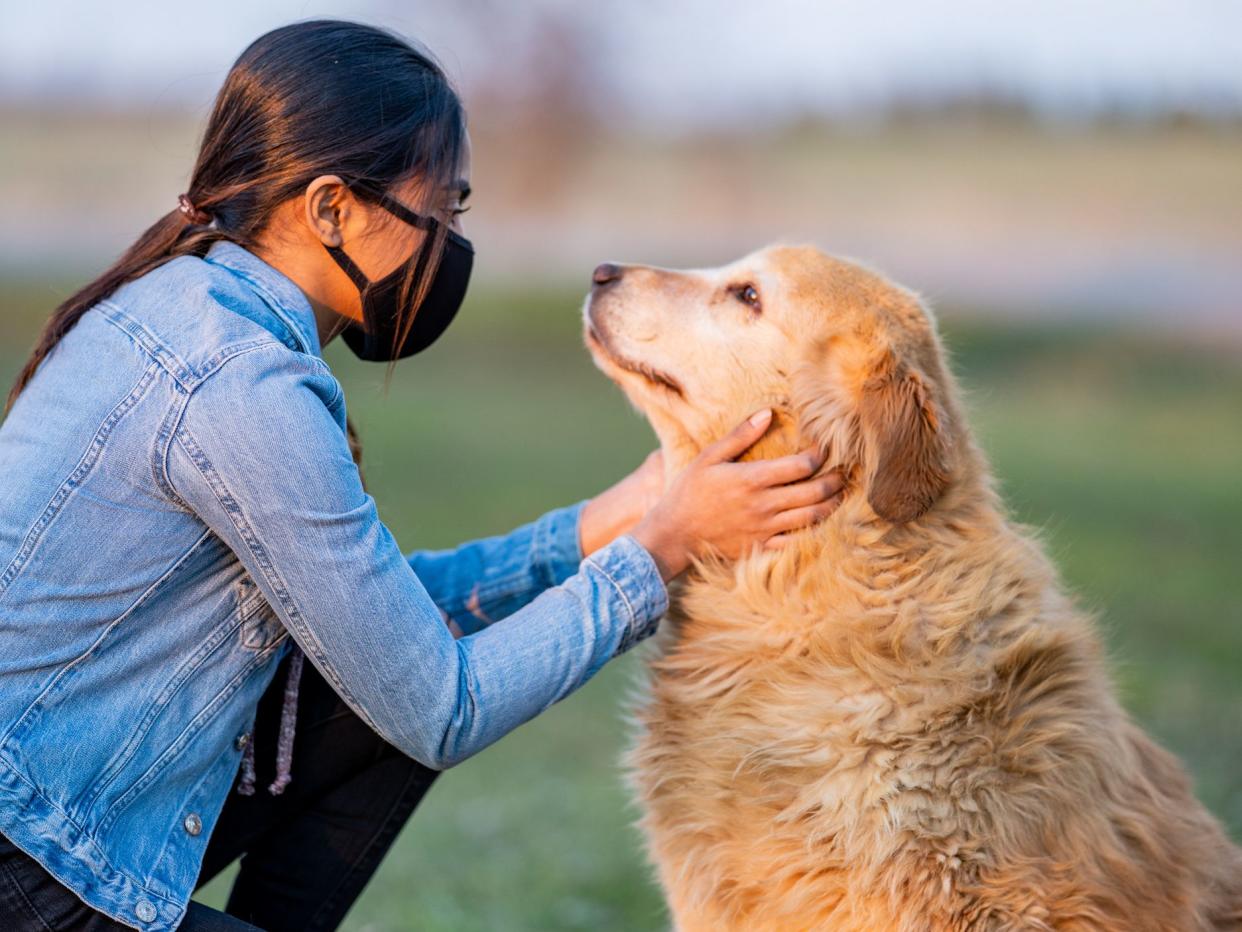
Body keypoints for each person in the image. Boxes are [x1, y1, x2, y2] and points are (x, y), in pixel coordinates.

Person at [0, 19, 844, 932]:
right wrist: (665, 546)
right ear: (330, 209)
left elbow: (393, 635)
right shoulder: (240, 388)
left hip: (61, 803)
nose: (447, 243)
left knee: (384, 689)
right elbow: (442, 706)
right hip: (32, 857)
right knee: (414, 697)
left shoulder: (187, 305)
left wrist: (618, 516)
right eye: (439, 212)